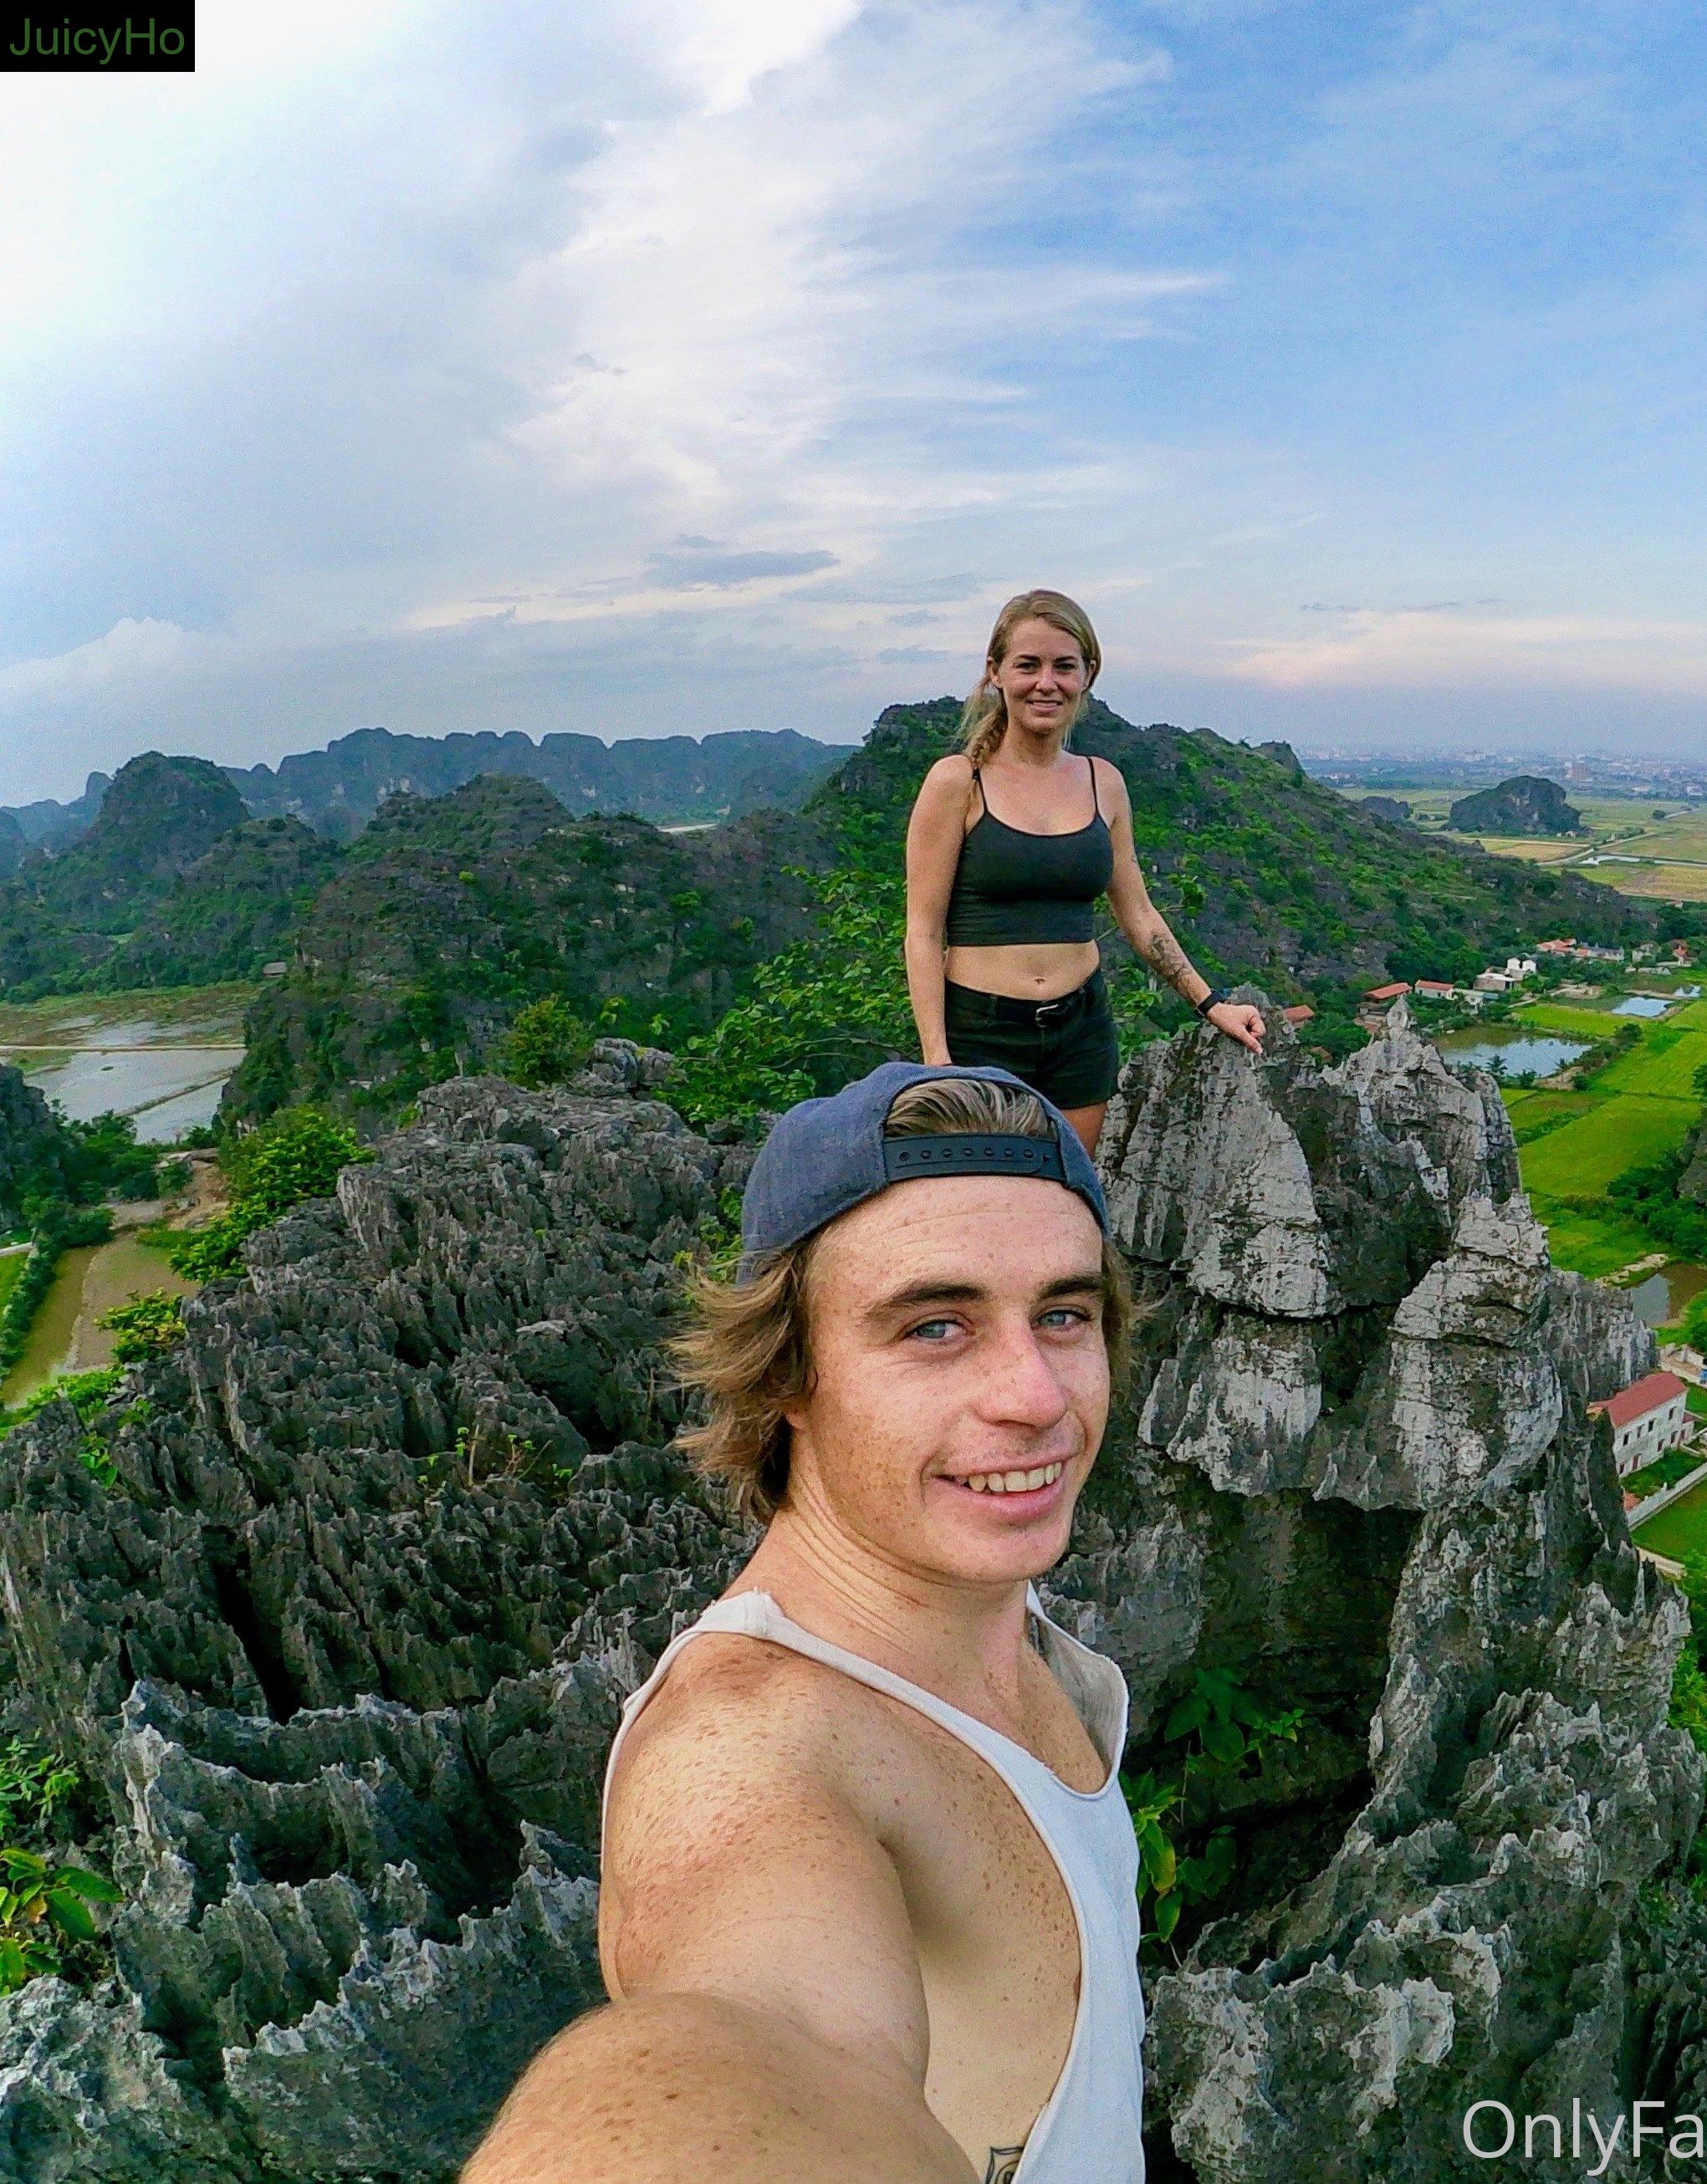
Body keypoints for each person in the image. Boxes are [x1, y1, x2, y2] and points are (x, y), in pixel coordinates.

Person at [464, 1062, 1146, 2184]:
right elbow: (759, 2031)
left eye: (1064, 1314)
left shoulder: (998, 1627)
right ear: (786, 1371)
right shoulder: (747, 1750)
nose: (1035, 1393)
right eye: (935, 1327)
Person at [904, 588, 1265, 1156]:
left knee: (1070, 1193)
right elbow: (922, 931)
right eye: (1028, 665)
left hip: (1081, 1028)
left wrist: (1210, 1002)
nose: (1046, 683)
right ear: (995, 673)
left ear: (1087, 676)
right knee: (987, 1205)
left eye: (1063, 667)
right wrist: (936, 1061)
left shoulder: (1104, 781)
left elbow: (1139, 916)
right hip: (981, 1030)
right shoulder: (958, 782)